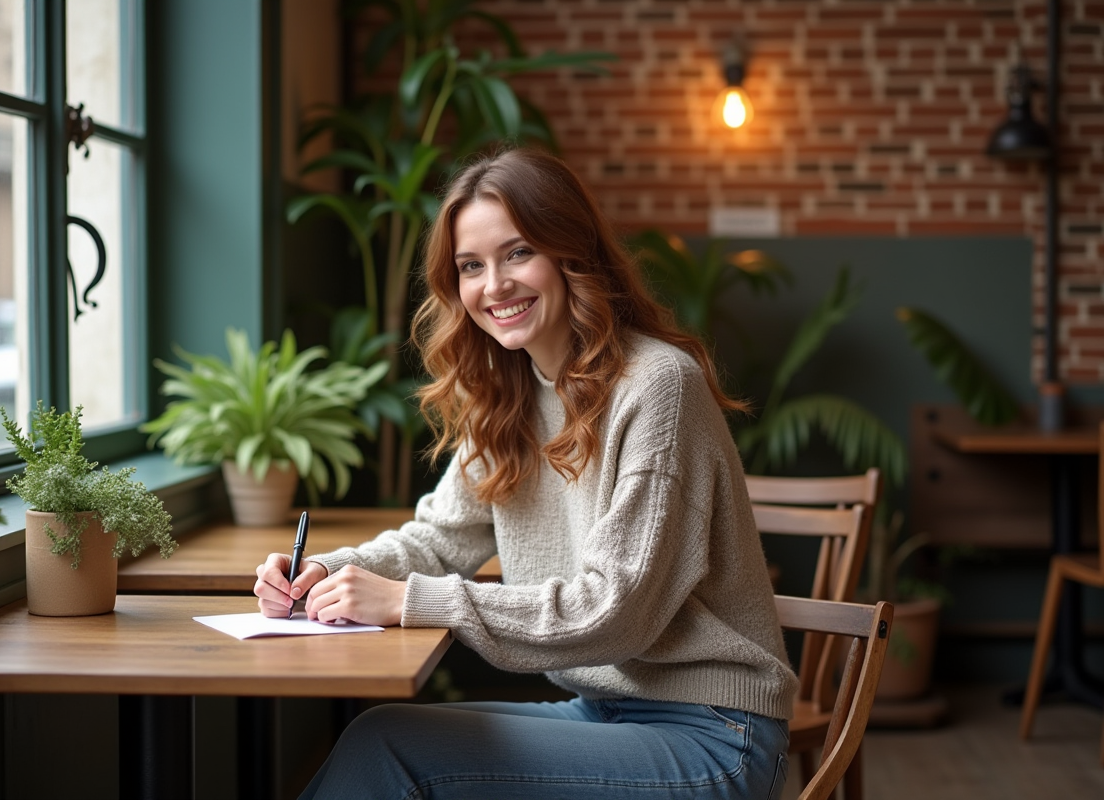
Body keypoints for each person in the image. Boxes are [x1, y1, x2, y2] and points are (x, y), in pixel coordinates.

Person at [254, 148, 798, 800]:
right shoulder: (508, 396)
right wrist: (327, 574)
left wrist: (408, 601)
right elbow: (438, 541)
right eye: (470, 267)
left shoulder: (658, 387)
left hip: (715, 736)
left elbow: (616, 613)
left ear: (572, 254)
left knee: (390, 751)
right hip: (605, 712)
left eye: (517, 254)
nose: (494, 285)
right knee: (380, 736)